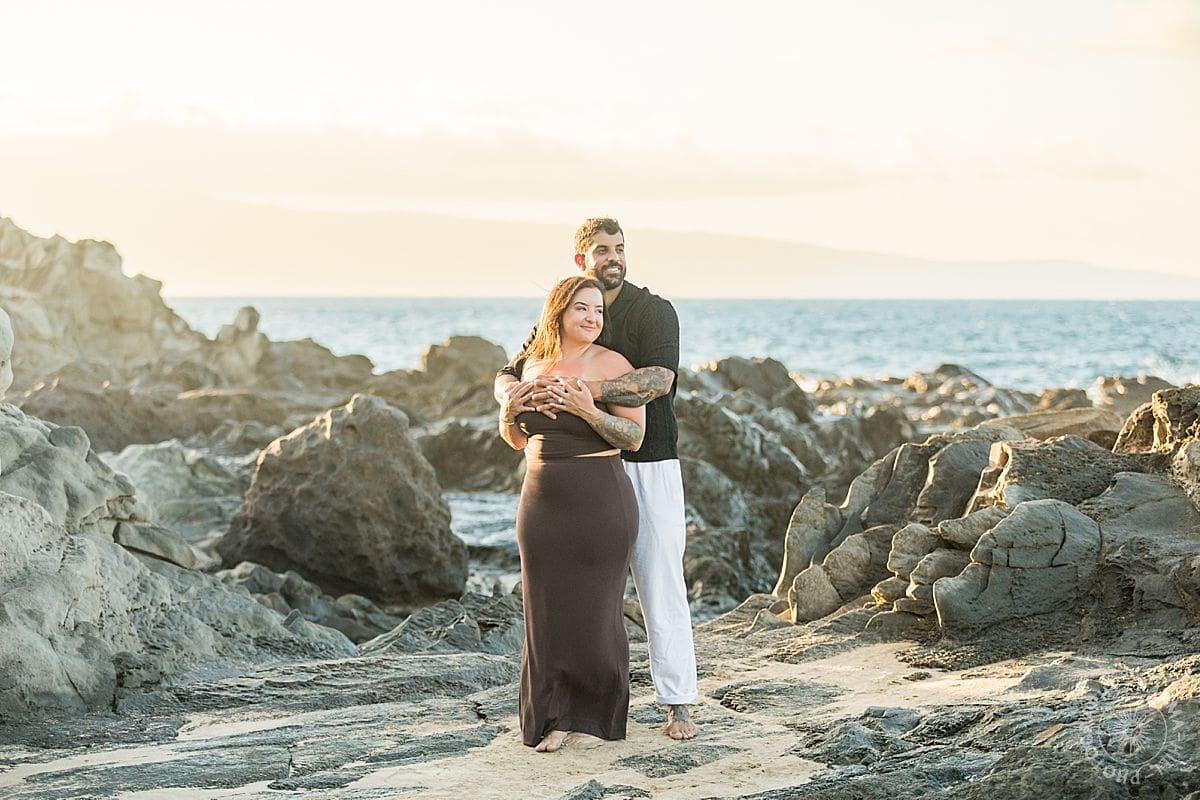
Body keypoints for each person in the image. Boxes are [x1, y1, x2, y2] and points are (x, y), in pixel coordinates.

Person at [496, 218, 700, 741]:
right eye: (601, 249)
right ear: (580, 260)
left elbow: (657, 380)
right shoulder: (568, 307)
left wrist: (580, 387)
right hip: (577, 473)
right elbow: (514, 369)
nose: (613, 257)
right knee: (579, 596)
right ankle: (568, 708)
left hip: (647, 461)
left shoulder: (652, 311)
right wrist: (508, 399)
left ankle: (677, 702)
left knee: (659, 579)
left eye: (620, 248)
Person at [497, 275, 645, 753]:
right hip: (540, 501)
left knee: (596, 613)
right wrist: (506, 415)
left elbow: (633, 436)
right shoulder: (532, 364)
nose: (592, 318)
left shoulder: (614, 366)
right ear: (559, 310)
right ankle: (553, 717)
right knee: (546, 614)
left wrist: (589, 410)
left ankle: (593, 717)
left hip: (599, 499)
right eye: (582, 308)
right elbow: (518, 440)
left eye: (599, 311)